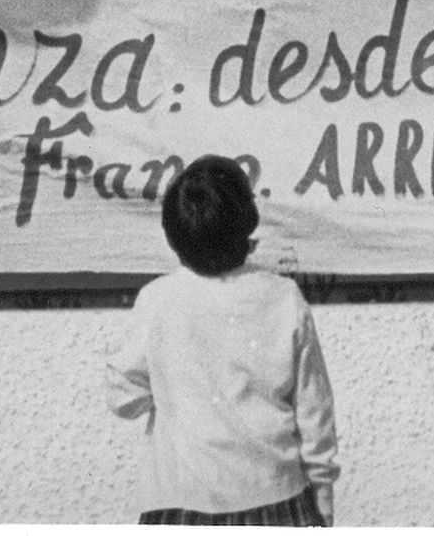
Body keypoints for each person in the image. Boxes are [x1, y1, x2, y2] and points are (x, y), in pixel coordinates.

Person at [106, 155, 340, 526]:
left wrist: (171, 389)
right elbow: (315, 412)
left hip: (179, 503)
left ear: (172, 233)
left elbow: (122, 398)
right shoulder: (283, 297)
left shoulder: (157, 299)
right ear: (248, 222)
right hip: (276, 499)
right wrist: (323, 497)